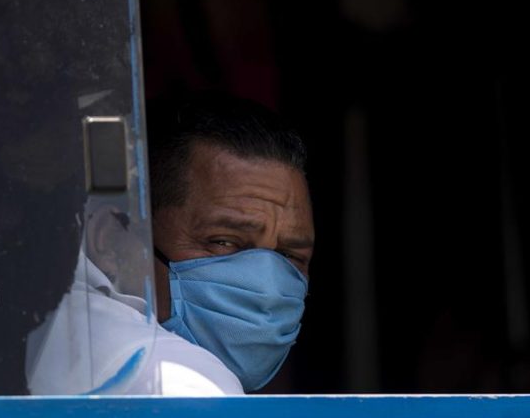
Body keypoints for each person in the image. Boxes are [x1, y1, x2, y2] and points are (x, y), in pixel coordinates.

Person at [25, 93, 314, 395]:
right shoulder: (179, 381)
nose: (266, 287)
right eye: (224, 241)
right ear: (111, 241)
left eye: (288, 255)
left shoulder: (54, 332)